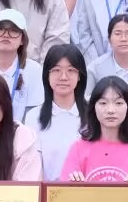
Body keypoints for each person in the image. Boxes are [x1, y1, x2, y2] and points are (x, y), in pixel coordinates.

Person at [58, 75, 128, 181]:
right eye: (103, 103)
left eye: (118, 103)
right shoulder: (78, 147)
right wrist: (75, 185)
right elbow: (64, 188)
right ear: (93, 108)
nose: (111, 110)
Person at [30, 44, 89, 179]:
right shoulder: (34, 116)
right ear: (47, 75)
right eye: (56, 70)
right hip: (47, 190)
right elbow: (34, 167)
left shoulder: (94, 115)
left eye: (71, 70)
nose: (63, 77)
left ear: (79, 76)